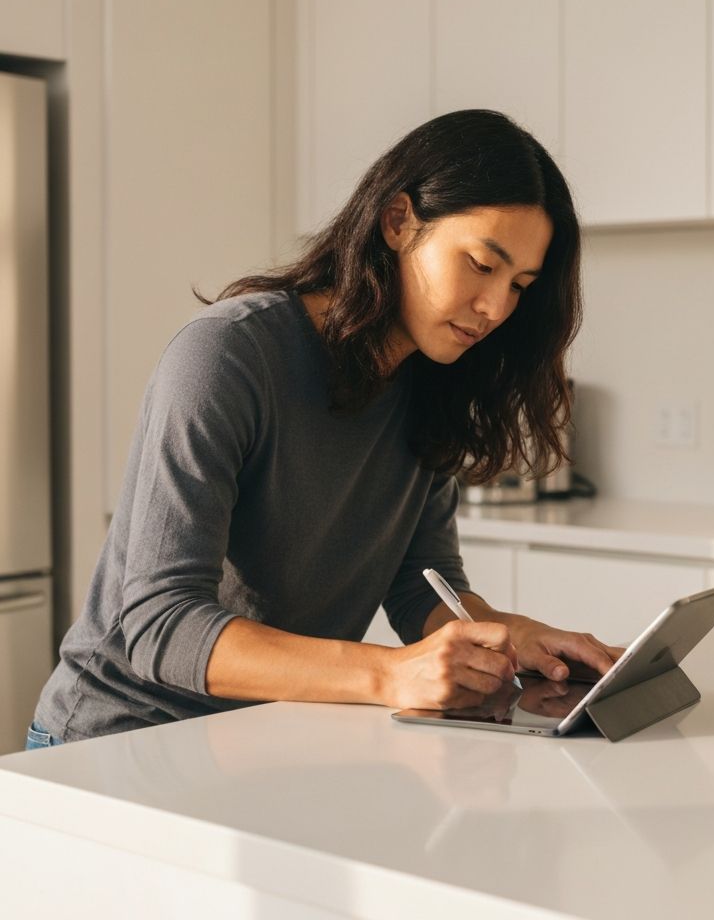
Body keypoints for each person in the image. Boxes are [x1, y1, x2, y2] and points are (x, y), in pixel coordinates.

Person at [27, 109, 621, 749]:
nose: (495, 307)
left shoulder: (434, 384)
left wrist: (512, 636)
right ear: (398, 222)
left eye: (520, 286)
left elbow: (420, 582)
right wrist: (391, 674)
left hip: (263, 737)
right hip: (119, 742)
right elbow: (161, 628)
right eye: (481, 264)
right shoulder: (228, 356)